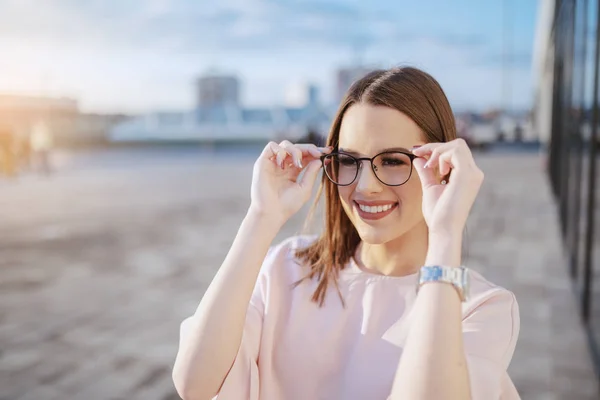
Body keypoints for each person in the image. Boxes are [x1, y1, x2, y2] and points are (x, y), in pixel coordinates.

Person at [173, 67, 520, 400]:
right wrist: (262, 216)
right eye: (350, 160)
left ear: (442, 165)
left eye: (394, 161)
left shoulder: (481, 307)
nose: (365, 186)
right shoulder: (287, 268)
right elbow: (194, 383)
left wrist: (446, 234)